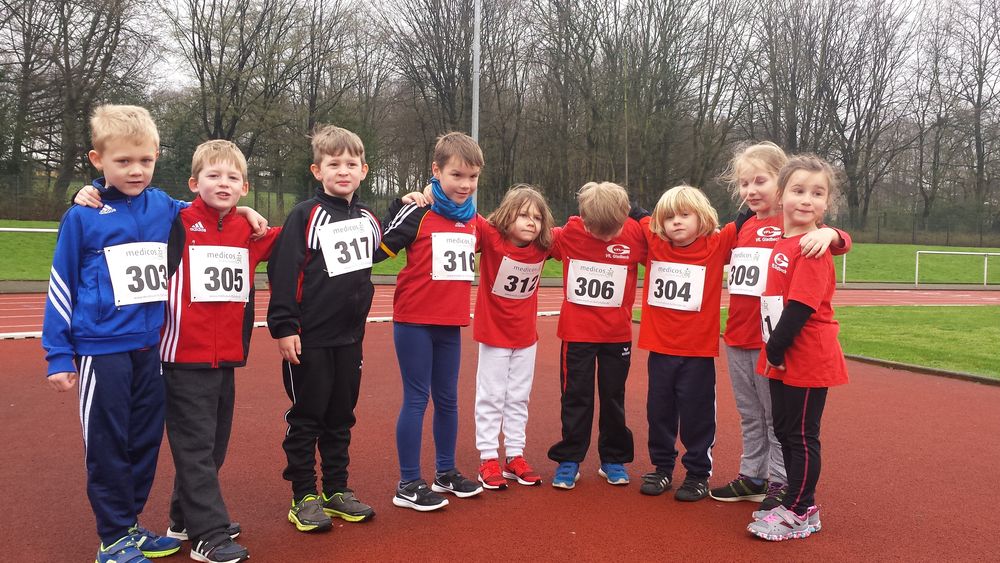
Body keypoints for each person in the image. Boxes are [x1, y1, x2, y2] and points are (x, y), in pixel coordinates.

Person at [42, 105, 187, 563]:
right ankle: (112, 537)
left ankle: (130, 525)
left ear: (157, 156)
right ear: (97, 159)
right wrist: (58, 354)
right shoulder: (83, 215)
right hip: (101, 349)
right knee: (107, 445)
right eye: (123, 161)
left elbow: (206, 209)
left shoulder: (164, 206)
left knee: (144, 440)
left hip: (148, 347)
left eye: (145, 160)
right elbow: (61, 283)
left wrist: (241, 206)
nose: (136, 170)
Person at [153, 140, 279, 563]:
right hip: (182, 358)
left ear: (244, 186)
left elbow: (296, 237)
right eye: (213, 175)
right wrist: (90, 191)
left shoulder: (247, 230)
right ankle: (208, 535)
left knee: (212, 447)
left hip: (226, 358)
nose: (223, 183)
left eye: (232, 177)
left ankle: (182, 520)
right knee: (195, 448)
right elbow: (134, 203)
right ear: (194, 183)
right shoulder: (177, 221)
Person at [710, 142, 850, 512]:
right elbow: (704, 247)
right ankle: (751, 475)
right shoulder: (741, 226)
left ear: (781, 184)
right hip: (737, 335)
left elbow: (832, 240)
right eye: (744, 184)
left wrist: (833, 235)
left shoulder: (793, 225)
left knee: (777, 420)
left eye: (760, 181)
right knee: (750, 416)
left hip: (771, 341)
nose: (751, 190)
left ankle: (780, 480)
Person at [266, 125, 381, 532]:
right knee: (308, 416)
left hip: (350, 339)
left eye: (351, 164)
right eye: (334, 164)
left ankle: (336, 490)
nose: (343, 171)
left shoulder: (368, 218)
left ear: (364, 170)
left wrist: (408, 203)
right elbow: (283, 271)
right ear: (317, 171)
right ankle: (303, 496)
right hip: (309, 339)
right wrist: (284, 326)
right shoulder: (306, 214)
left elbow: (381, 251)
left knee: (340, 416)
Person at [375, 132, 486, 511]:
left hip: (450, 323)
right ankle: (408, 483)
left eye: (473, 177)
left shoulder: (474, 220)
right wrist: (397, 204)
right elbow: (378, 248)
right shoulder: (419, 213)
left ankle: (446, 472)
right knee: (417, 398)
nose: (465, 184)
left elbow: (507, 239)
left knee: (449, 399)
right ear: (436, 171)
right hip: (414, 322)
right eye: (457, 175)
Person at [746, 155, 849, 541]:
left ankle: (801, 509)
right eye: (799, 190)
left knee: (802, 435)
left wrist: (775, 349)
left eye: (818, 193)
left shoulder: (811, 248)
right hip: (782, 354)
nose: (807, 200)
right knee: (787, 431)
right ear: (781, 195)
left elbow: (801, 307)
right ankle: (796, 502)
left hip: (804, 355)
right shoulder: (783, 239)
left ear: (827, 202)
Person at [635, 186, 738, 501]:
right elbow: (632, 210)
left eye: (684, 215)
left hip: (697, 353)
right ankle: (662, 468)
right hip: (660, 350)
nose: (676, 222)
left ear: (702, 217)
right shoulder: (654, 242)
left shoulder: (717, 244)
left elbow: (751, 219)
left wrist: (831, 234)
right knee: (659, 412)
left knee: (697, 415)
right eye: (669, 218)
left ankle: (697, 474)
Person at [546, 181, 646, 490]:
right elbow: (531, 238)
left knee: (613, 396)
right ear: (584, 218)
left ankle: (613, 458)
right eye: (598, 231)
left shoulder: (635, 232)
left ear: (625, 216)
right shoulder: (570, 232)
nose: (606, 238)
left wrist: (643, 216)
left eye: (613, 231)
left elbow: (668, 244)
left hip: (617, 335)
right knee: (576, 396)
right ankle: (569, 458)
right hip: (577, 335)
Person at [472, 185, 555, 489]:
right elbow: (463, 212)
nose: (531, 222)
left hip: (525, 337)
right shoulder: (490, 236)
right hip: (494, 335)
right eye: (523, 215)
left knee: (519, 397)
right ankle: (488, 457)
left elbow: (579, 235)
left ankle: (515, 455)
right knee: (491, 396)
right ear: (507, 216)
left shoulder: (543, 246)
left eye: (537, 217)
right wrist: (428, 193)